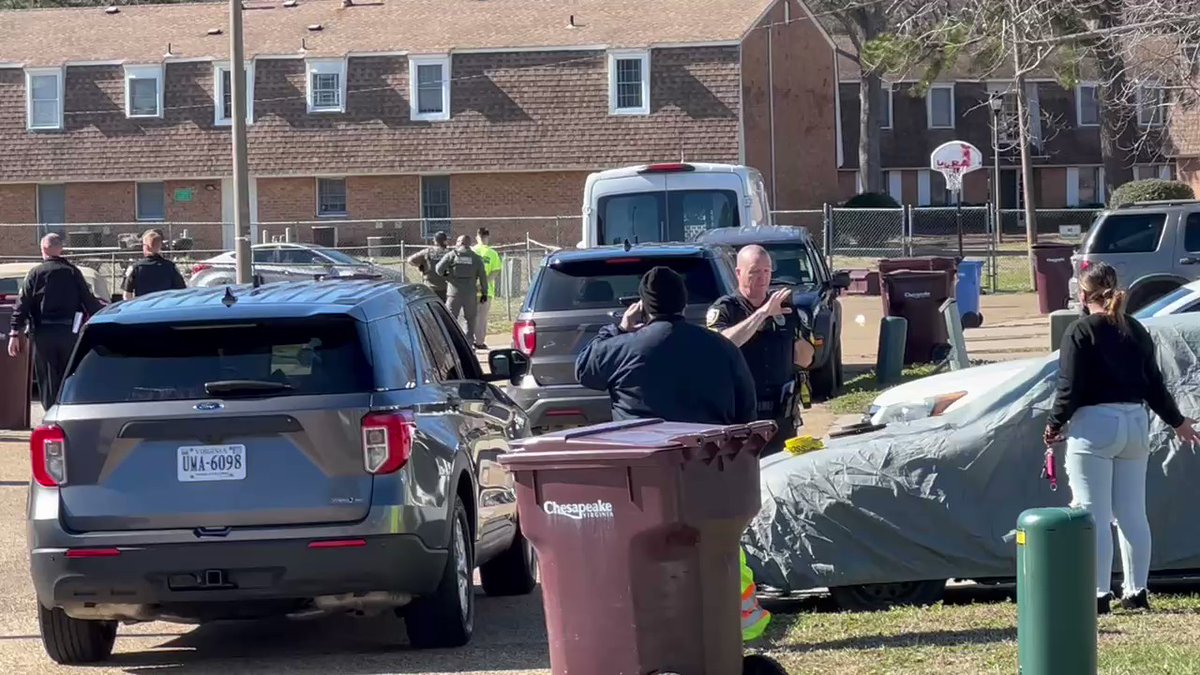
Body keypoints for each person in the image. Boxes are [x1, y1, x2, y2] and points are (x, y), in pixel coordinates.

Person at [574, 266, 769, 642]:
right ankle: (729, 623)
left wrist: (618, 327)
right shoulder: (721, 348)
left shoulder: (625, 347)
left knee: (647, 556)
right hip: (711, 473)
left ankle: (657, 631)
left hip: (643, 480)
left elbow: (585, 367)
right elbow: (747, 414)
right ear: (685, 303)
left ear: (644, 307)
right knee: (716, 552)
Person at [1044, 261, 1200, 615]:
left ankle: (1099, 595)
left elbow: (1069, 388)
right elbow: (1154, 384)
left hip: (1094, 425)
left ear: (1083, 295)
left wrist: (1054, 425)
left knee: (1093, 513)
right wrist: (1177, 422)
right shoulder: (1135, 329)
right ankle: (1137, 591)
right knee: (1132, 513)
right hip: (1135, 423)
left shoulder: (1080, 331)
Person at [707, 244, 815, 455]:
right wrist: (763, 315)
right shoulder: (726, 309)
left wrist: (794, 325)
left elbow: (806, 360)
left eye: (766, 271)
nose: (762, 277)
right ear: (738, 273)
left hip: (781, 416)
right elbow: (719, 347)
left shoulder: (785, 309)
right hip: (742, 418)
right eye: (755, 271)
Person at [7, 233, 104, 410]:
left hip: (43, 333)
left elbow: (23, 304)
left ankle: (50, 413)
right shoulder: (73, 272)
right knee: (69, 374)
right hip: (69, 332)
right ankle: (67, 411)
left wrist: (14, 331)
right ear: (61, 249)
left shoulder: (36, 273)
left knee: (47, 377)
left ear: (43, 249)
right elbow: (89, 302)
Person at [435, 235, 489, 349]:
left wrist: (448, 276)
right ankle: (468, 344)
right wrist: (484, 292)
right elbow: (483, 277)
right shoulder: (476, 258)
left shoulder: (451, 255)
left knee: (450, 318)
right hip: (470, 294)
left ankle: (449, 343)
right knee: (470, 319)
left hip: (453, 293)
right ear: (469, 243)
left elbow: (439, 269)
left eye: (457, 241)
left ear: (459, 242)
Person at [123, 229, 186, 300]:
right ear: (160, 246)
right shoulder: (170, 267)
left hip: (143, 308)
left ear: (146, 246)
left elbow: (127, 296)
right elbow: (182, 291)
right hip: (165, 307)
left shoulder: (136, 268)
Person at [471, 227, 502, 351]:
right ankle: (479, 341)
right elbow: (495, 272)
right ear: (487, 237)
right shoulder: (492, 253)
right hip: (486, 291)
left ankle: (469, 340)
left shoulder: (471, 251)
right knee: (482, 318)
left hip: (471, 290)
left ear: (477, 237)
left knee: (470, 317)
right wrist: (484, 283)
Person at [406, 231, 450, 302]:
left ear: (435, 241)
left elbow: (410, 260)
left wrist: (420, 267)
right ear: (445, 241)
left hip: (430, 285)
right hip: (445, 285)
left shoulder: (428, 251)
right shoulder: (449, 253)